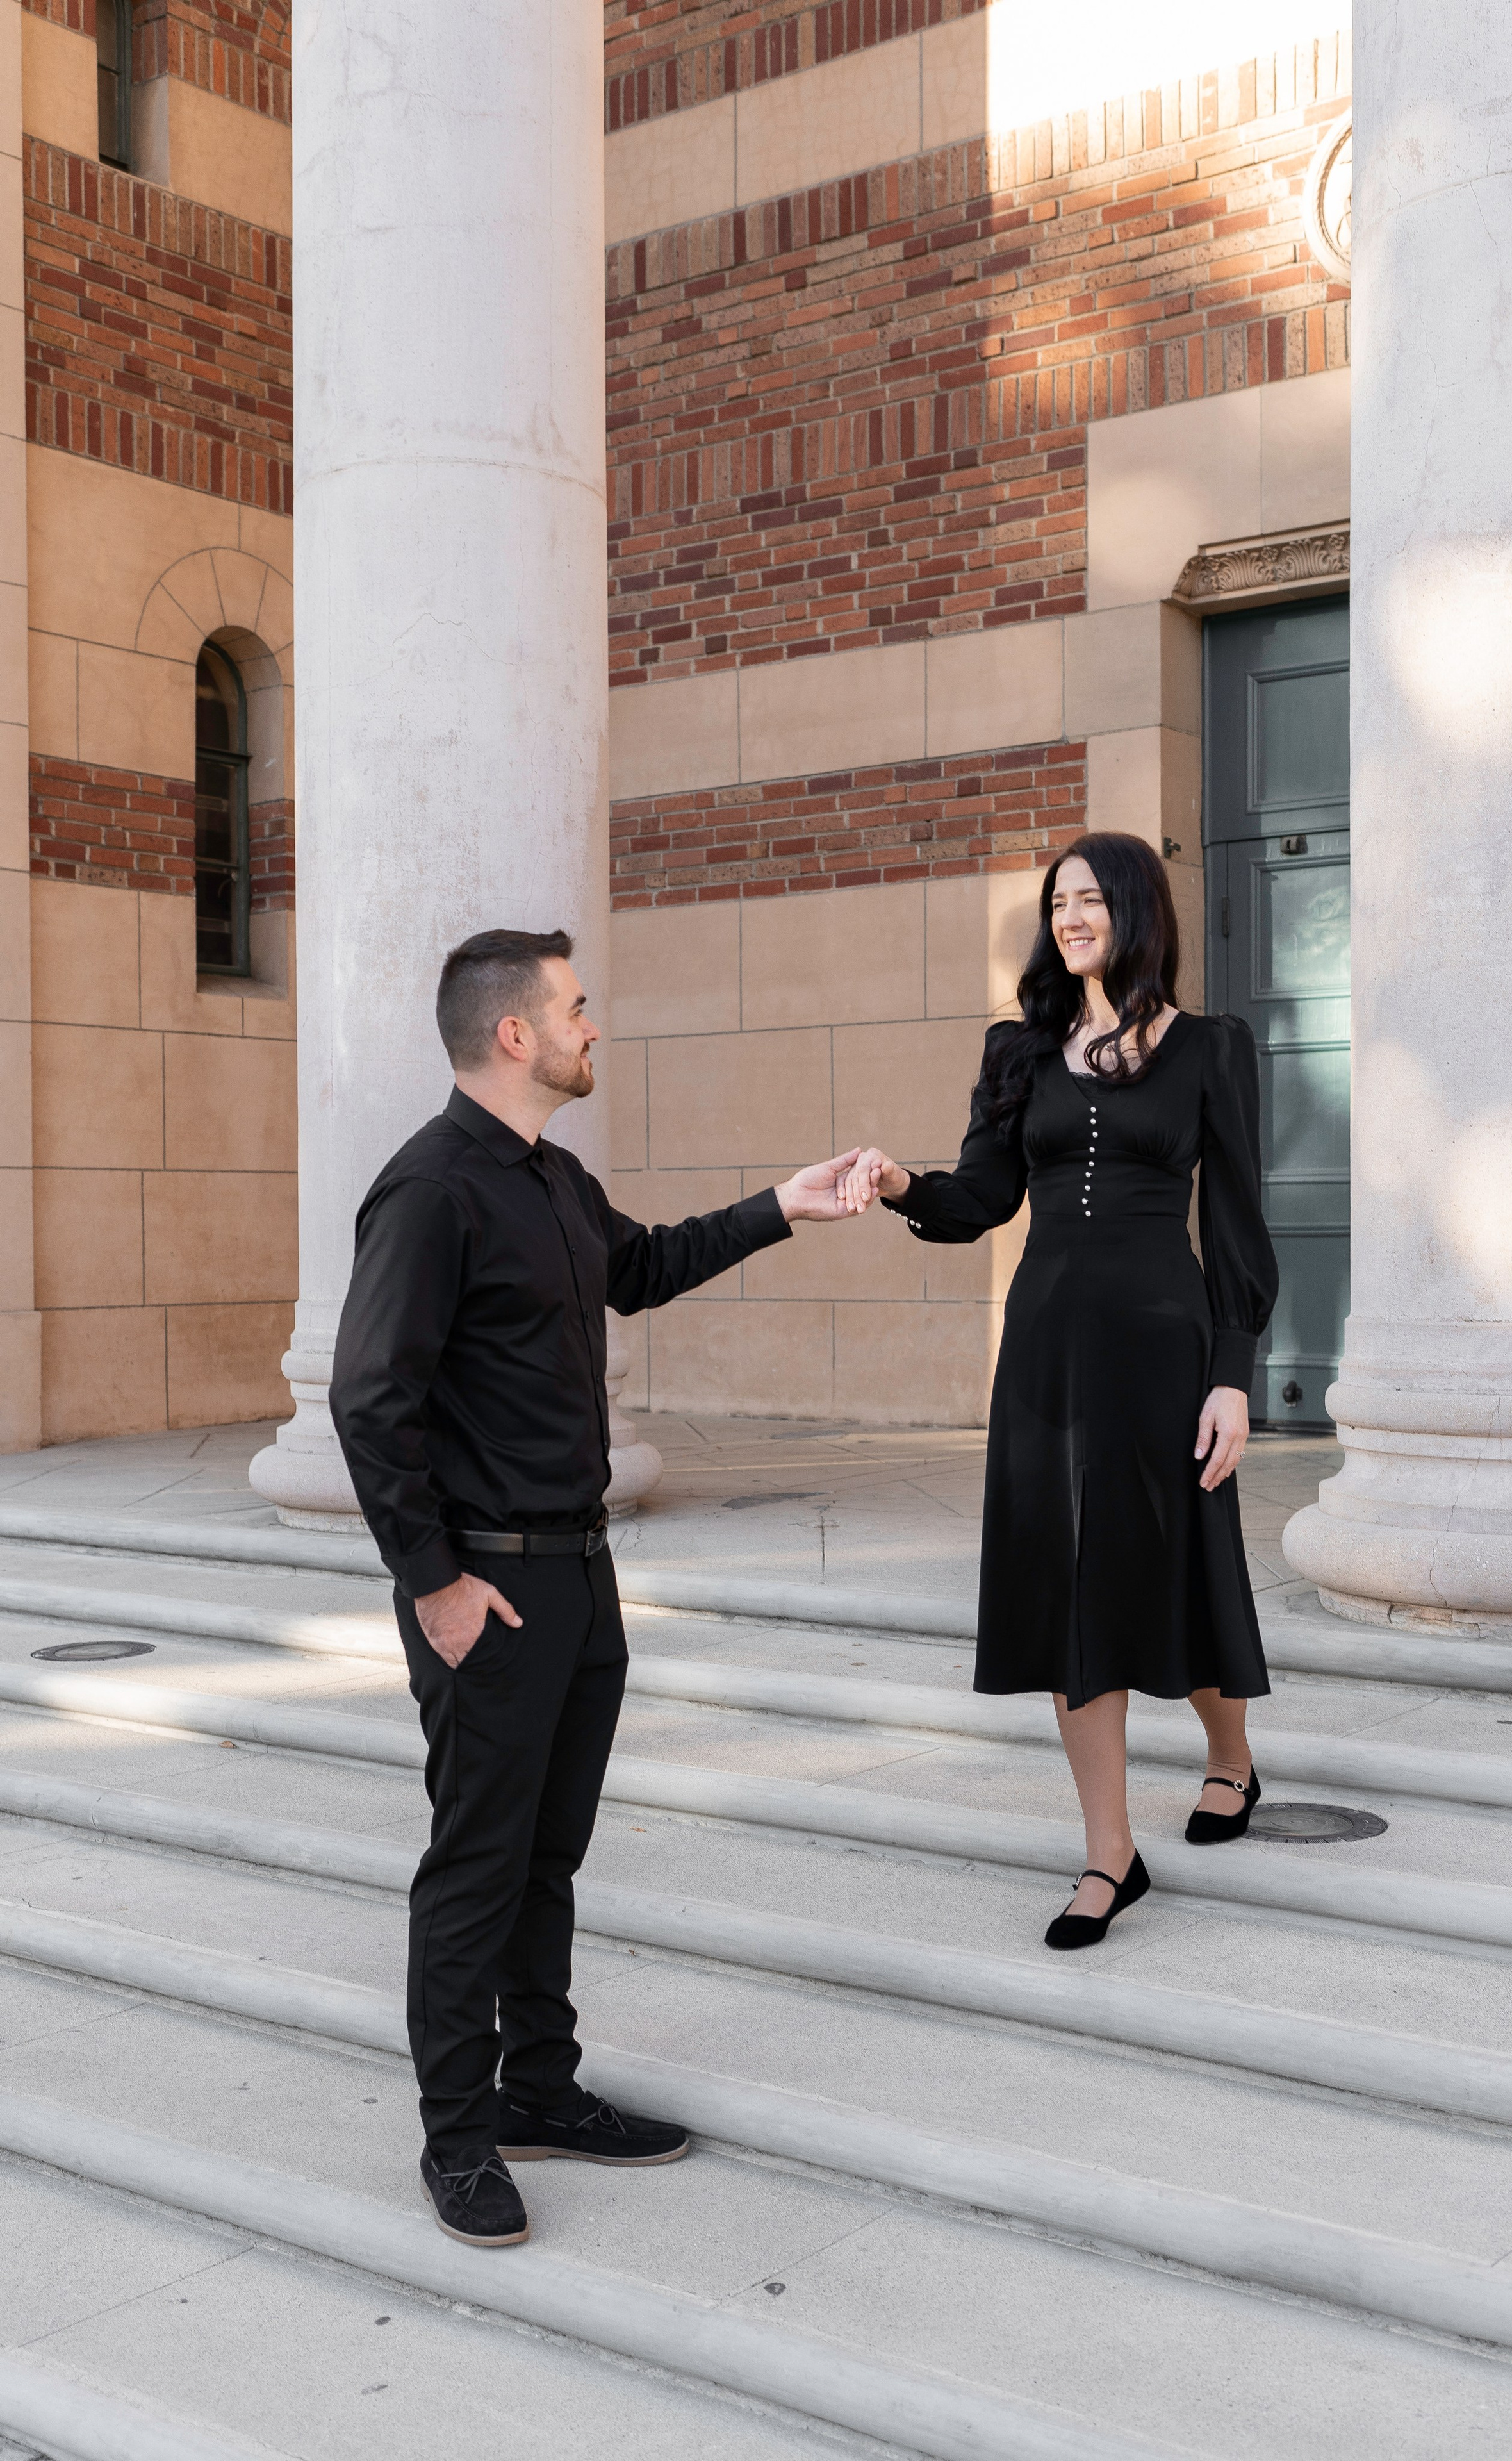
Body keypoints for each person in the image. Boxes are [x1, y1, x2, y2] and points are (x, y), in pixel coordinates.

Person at [330, 927, 864, 2248]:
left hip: (580, 1578)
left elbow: (642, 1265)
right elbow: (367, 1399)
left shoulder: (553, 1181)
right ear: (513, 1035)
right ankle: (457, 2141)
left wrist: (781, 1205)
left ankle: (540, 2093)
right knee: (476, 1869)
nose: (591, 1025)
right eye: (575, 1007)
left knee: (546, 1862)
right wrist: (435, 1585)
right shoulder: (430, 1190)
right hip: (490, 1596)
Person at [842, 833, 1278, 1951]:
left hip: (1165, 1345)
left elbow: (1235, 1229)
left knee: (1172, 1559)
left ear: (1137, 910)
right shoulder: (1019, 1050)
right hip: (1045, 1345)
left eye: (1089, 898)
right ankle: (1109, 1854)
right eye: (1058, 903)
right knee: (1069, 1578)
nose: (1070, 916)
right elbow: (982, 1196)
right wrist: (903, 1187)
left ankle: (1231, 1760)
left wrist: (1233, 1378)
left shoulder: (1212, 1050)